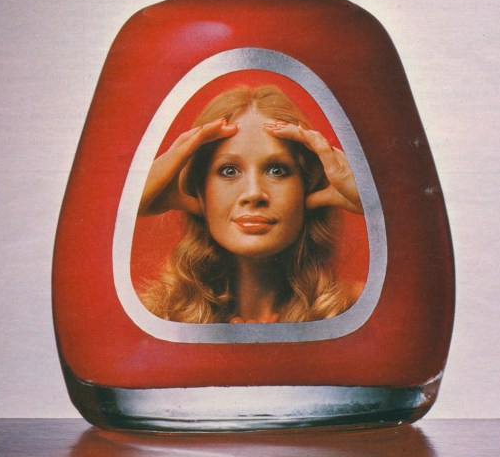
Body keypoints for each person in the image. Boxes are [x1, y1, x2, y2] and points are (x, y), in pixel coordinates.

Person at [137, 84, 364, 323]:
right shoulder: (153, 317)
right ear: (200, 191)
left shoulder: (359, 308)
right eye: (229, 171)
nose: (254, 193)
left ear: (308, 186)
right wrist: (127, 204)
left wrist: (371, 201)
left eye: (277, 170)